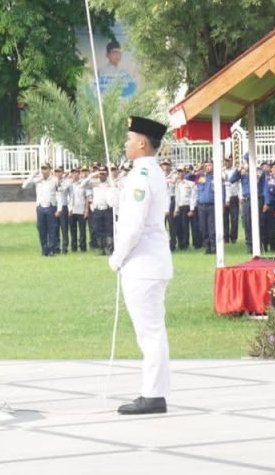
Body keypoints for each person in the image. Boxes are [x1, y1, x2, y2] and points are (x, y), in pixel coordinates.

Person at [109, 116, 173, 415]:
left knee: (150, 334)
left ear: (142, 142)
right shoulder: (151, 173)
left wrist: (117, 257)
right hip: (151, 263)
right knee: (153, 332)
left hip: (142, 264)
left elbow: (132, 227)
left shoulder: (140, 176)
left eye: (129, 138)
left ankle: (153, 394)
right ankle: (154, 392)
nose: (126, 143)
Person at [23, 163, 59, 256]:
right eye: (42, 168)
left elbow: (59, 194)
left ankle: (51, 249)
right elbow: (25, 186)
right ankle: (44, 249)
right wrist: (33, 175)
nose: (43, 170)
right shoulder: (38, 180)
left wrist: (59, 208)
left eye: (45, 168)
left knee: (52, 229)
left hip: (51, 206)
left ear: (50, 169)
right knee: (41, 229)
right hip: (40, 208)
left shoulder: (54, 180)